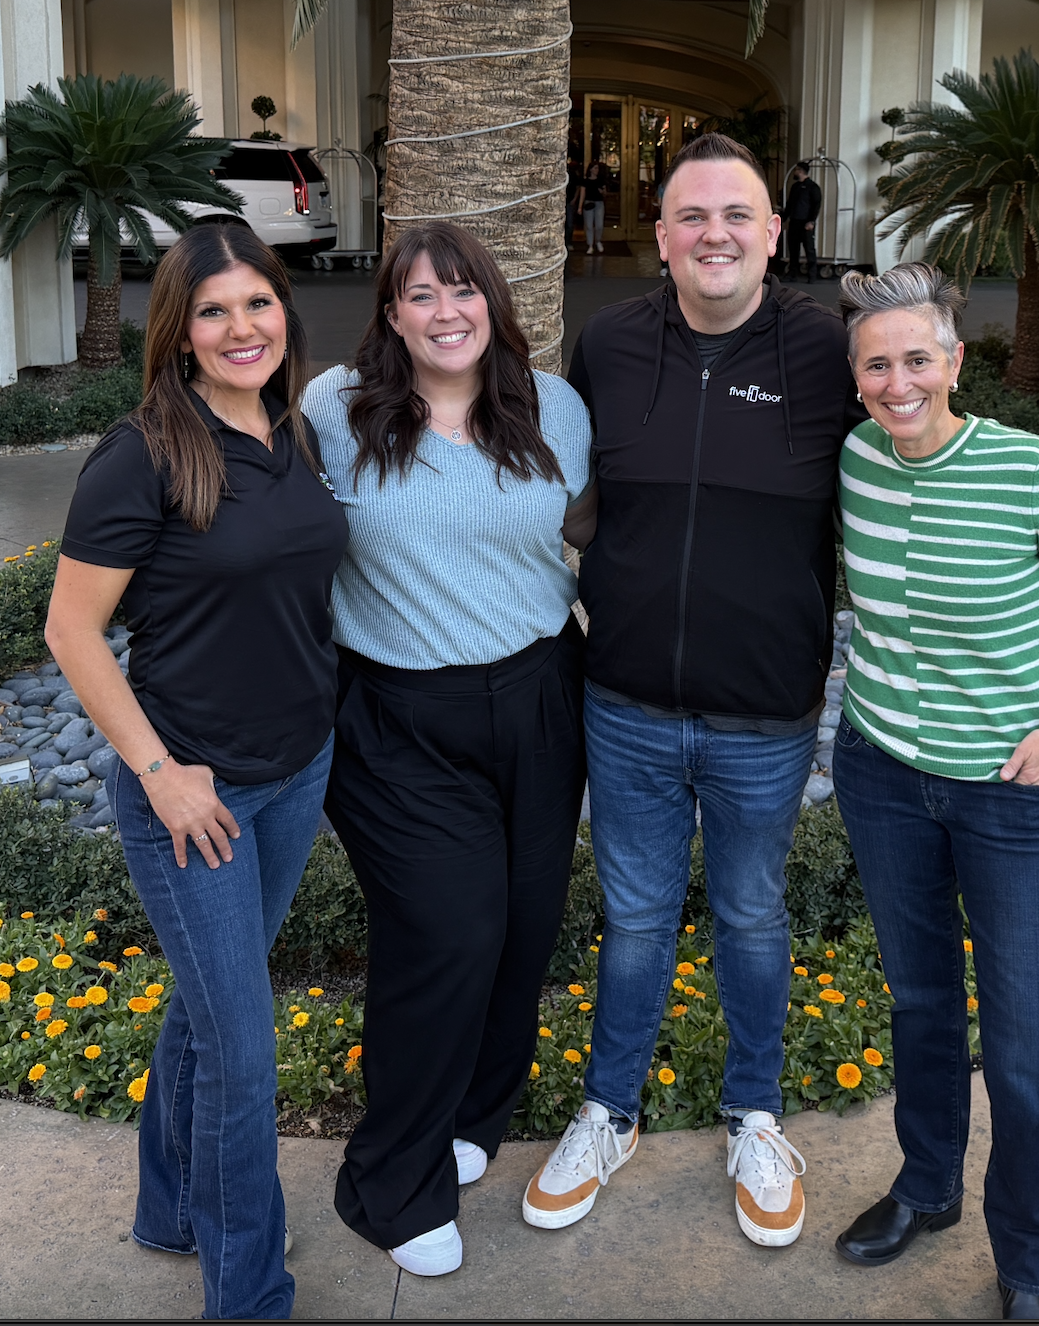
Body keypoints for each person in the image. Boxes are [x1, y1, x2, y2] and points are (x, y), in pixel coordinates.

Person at [522, 132, 864, 1246]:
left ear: (775, 232)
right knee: (632, 922)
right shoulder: (609, 345)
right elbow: (557, 494)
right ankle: (609, 1111)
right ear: (658, 238)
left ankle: (755, 1116)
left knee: (753, 916)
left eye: (737, 215)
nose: (715, 233)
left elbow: (911, 472)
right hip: (624, 705)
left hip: (766, 713)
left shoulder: (829, 355)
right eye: (691, 217)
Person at [44, 223, 348, 1321]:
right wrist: (162, 772)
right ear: (178, 331)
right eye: (214, 311)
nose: (241, 328)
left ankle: (171, 1209)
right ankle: (249, 1297)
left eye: (258, 304)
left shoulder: (293, 431)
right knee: (243, 1049)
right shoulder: (143, 452)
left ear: (284, 312)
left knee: (206, 1014)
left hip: (295, 772)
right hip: (195, 796)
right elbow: (72, 632)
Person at [830, 263, 1039, 1322]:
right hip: (883, 774)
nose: (898, 381)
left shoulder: (1030, 469)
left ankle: (1033, 1262)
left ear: (954, 362)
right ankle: (926, 1188)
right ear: (856, 379)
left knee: (1023, 1046)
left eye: (918, 358)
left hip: (1015, 795)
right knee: (918, 1004)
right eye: (878, 364)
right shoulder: (856, 457)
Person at [302, 221, 592, 1278]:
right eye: (421, 295)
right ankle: (392, 1180)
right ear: (390, 313)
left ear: (494, 303)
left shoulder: (554, 407)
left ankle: (477, 1110)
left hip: (538, 694)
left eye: (463, 291)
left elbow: (593, 529)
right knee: (448, 934)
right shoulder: (335, 411)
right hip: (393, 713)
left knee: (523, 924)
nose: (446, 312)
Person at [783, 161, 821, 282]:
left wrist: (812, 221)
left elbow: (816, 205)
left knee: (809, 249)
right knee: (793, 250)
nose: (795, 172)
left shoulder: (813, 187)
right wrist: (783, 218)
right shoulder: (795, 187)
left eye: (796, 170)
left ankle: (812, 275)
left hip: (806, 223)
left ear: (801, 171)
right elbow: (789, 205)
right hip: (794, 222)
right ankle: (792, 274)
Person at [575, 160, 606, 254]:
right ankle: (590, 245)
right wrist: (580, 207)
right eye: (595, 168)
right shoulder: (585, 181)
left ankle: (598, 241)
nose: (597, 170)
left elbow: (605, 193)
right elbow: (582, 194)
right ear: (591, 169)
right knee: (588, 226)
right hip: (588, 204)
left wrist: (602, 191)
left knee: (599, 225)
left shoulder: (600, 180)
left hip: (599, 203)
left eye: (597, 168)